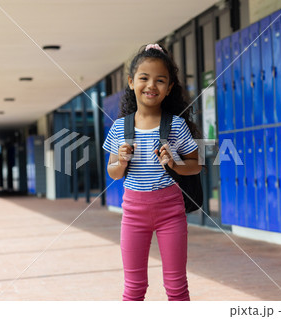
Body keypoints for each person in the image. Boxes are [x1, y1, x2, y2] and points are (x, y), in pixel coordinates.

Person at [102, 43, 202, 301]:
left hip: (171, 212)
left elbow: (196, 165)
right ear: (131, 82)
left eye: (160, 80)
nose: (151, 85)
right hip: (133, 214)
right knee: (134, 287)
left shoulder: (176, 125)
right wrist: (121, 162)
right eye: (144, 78)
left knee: (176, 286)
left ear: (169, 88)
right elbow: (113, 172)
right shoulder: (120, 128)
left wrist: (174, 163)